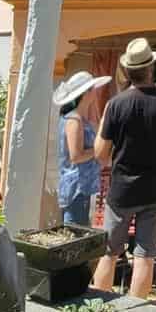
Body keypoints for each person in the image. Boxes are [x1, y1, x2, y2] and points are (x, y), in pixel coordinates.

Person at [90, 37, 156, 299]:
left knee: (109, 253)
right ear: (151, 68)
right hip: (154, 188)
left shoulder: (115, 104)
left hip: (121, 189)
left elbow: (100, 153)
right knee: (145, 256)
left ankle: (99, 309)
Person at [52, 71, 111, 227]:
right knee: (75, 231)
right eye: (92, 89)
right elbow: (76, 156)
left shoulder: (78, 118)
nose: (95, 92)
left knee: (79, 230)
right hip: (77, 187)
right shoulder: (75, 120)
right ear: (85, 93)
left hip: (82, 186)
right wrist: (98, 150)